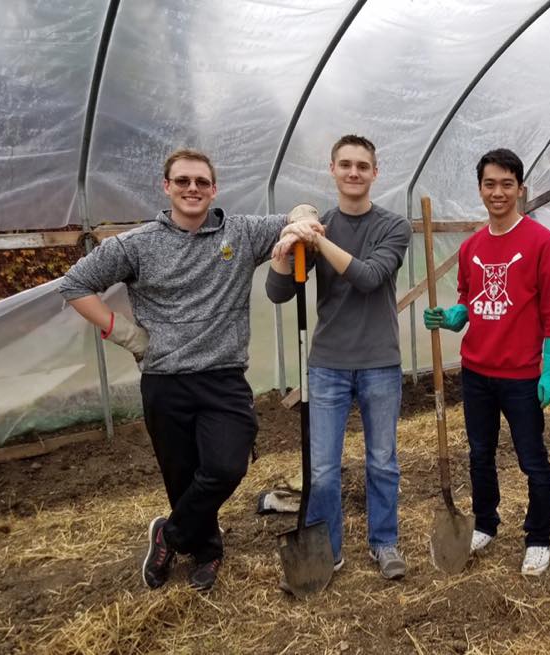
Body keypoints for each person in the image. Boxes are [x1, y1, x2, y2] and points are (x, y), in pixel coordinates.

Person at [60, 148, 315, 592]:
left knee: (226, 466)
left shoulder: (241, 232)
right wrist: (126, 335)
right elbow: (75, 285)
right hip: (165, 380)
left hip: (224, 377)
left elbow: (300, 212)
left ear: (214, 188)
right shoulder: (136, 245)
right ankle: (207, 550)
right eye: (183, 181)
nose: (192, 188)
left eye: (201, 181)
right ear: (167, 187)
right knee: (182, 475)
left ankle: (169, 536)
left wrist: (302, 219)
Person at [267, 135, 411, 580]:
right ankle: (326, 549)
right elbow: (278, 292)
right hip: (326, 364)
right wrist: (285, 250)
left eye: (362, 166)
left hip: (380, 362)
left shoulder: (393, 226)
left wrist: (315, 239)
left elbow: (368, 277)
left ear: (374, 172)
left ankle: (384, 543)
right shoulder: (319, 224)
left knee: (382, 461)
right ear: (332, 170)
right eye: (345, 164)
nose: (354, 172)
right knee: (324, 469)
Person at [423, 148, 550, 577]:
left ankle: (538, 536)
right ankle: (485, 523)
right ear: (480, 189)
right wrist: (452, 317)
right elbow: (472, 301)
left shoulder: (542, 242)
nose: (498, 192)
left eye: (507, 183)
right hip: (477, 372)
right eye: (490, 184)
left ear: (520, 189)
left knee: (532, 459)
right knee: (480, 454)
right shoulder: (472, 246)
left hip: (522, 375)